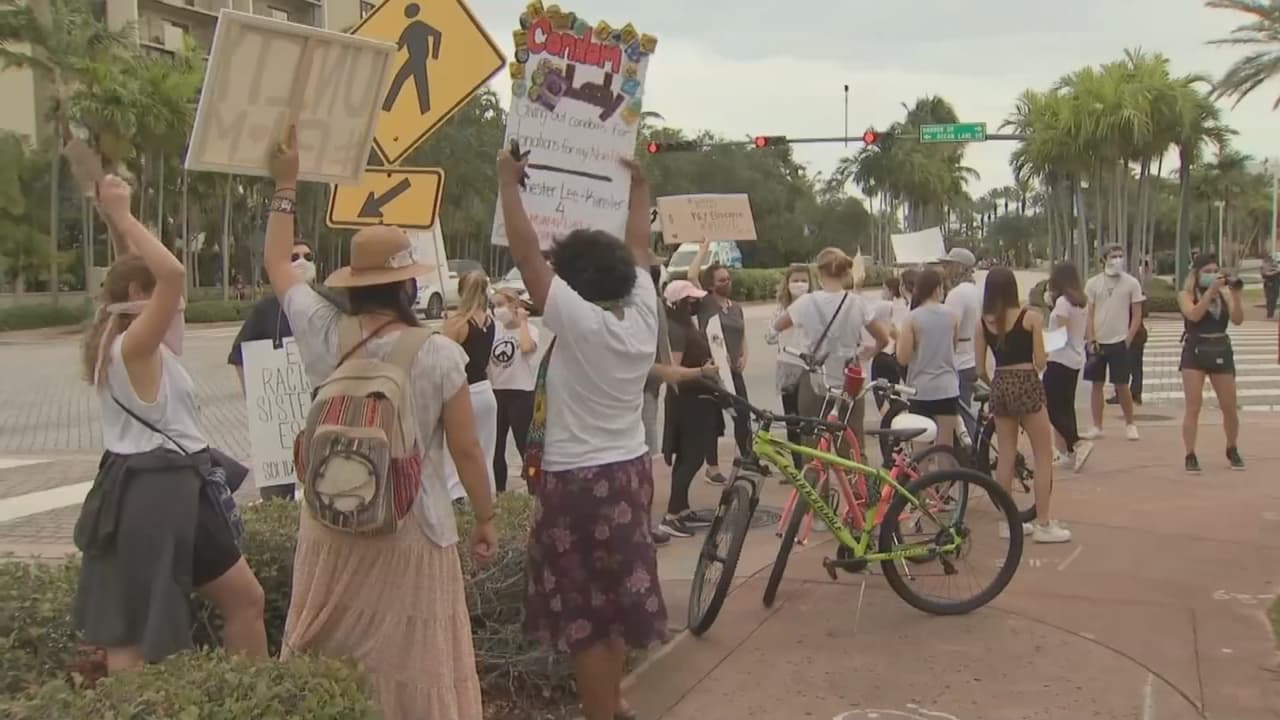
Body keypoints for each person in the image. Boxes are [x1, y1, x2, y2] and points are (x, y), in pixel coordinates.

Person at [265, 128, 496, 719]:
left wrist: (286, 184)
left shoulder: (323, 332)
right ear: (410, 283)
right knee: (413, 672)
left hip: (331, 526)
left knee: (332, 664)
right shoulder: (439, 353)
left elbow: (277, 266)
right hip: (411, 530)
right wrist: (487, 518)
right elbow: (468, 452)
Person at [497, 150, 668, 720]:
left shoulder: (579, 320)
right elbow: (640, 249)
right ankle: (612, 699)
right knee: (614, 600)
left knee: (586, 615)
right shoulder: (643, 314)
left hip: (577, 482)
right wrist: (638, 195)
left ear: (573, 283)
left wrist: (507, 184)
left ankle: (600, 711)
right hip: (629, 473)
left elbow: (526, 256)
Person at [74, 175, 267, 672]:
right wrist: (120, 213)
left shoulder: (126, 342)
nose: (173, 302)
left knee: (243, 598)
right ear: (141, 293)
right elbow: (174, 274)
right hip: (159, 489)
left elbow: (141, 274)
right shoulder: (134, 347)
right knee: (136, 631)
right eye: (155, 293)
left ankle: (252, 693)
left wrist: (120, 224)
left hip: (165, 485)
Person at [227, 240, 344, 501]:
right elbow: (238, 356)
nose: (301, 261)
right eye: (293, 256)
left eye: (307, 255)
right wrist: (255, 398)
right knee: (277, 496)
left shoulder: (330, 304)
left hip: (323, 415)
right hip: (278, 424)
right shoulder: (265, 310)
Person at [976, 267, 1069, 544]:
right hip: (1027, 381)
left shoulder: (983, 323)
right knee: (1042, 455)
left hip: (1001, 383)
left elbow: (980, 368)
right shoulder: (1031, 318)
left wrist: (995, 380)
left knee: (1005, 454)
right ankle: (1043, 522)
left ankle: (1007, 522)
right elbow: (1041, 362)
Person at [772, 247, 890, 452]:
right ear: (845, 272)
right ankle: (856, 483)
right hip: (850, 380)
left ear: (819, 272)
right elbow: (883, 338)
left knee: (814, 448)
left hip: (816, 378)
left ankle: (818, 483)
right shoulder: (857, 303)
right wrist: (872, 349)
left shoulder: (806, 303)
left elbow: (775, 329)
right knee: (852, 446)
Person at [660, 280, 724, 537]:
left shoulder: (688, 325)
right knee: (692, 457)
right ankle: (671, 515)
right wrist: (702, 371)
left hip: (699, 400)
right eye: (690, 300)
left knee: (690, 456)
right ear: (677, 304)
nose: (695, 303)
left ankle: (682, 508)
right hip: (686, 402)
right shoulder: (676, 330)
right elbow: (672, 372)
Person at [1178, 253, 1246, 473]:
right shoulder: (1186, 294)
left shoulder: (1223, 295)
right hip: (1195, 350)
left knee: (1229, 406)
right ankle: (1190, 453)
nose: (1212, 275)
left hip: (1220, 348)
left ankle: (1232, 446)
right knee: (1193, 406)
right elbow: (1194, 315)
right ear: (1196, 274)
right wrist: (1210, 292)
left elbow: (1237, 320)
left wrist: (1234, 296)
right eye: (1207, 271)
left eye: (1215, 270)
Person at [687, 238, 747, 485]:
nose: (726, 283)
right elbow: (692, 275)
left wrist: (744, 355)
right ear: (711, 285)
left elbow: (741, 334)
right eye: (721, 280)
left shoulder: (736, 307)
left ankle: (746, 456)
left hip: (733, 370)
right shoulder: (706, 303)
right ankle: (712, 468)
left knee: (742, 413)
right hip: (712, 371)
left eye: (728, 278)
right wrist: (703, 248)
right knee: (712, 420)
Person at [442, 271, 498, 500]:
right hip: (486, 392)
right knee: (485, 450)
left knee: (455, 450)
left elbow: (443, 360)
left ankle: (457, 496)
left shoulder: (458, 323)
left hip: (463, 393)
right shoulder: (489, 321)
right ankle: (487, 494)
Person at [1083, 245, 1144, 441]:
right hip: (1098, 342)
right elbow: (1089, 313)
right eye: (1113, 256)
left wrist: (1128, 338)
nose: (1117, 259)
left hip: (1120, 341)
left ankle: (1130, 424)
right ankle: (1097, 426)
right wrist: (1091, 338)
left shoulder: (1131, 283)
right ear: (1104, 259)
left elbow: (1137, 314)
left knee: (1122, 385)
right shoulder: (1093, 284)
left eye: (1120, 256)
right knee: (1096, 385)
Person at [895, 268, 960, 449]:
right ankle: (945, 478)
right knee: (945, 445)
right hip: (948, 388)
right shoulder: (953, 316)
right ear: (938, 288)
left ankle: (924, 476)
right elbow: (952, 348)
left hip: (920, 389)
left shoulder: (912, 318)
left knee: (921, 446)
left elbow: (903, 358)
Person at [1042, 262, 1093, 472]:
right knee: (1066, 405)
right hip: (1074, 358)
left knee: (1049, 405)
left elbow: (1060, 335)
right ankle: (1070, 452)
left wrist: (1042, 346)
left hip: (1059, 359)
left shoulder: (1063, 302)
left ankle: (1076, 442)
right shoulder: (1081, 302)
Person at [489, 288, 539, 493]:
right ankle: (499, 490)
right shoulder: (495, 329)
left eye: (500, 304)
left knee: (524, 446)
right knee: (496, 446)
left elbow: (527, 348)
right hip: (496, 392)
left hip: (520, 393)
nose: (496, 310)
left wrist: (523, 322)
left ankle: (534, 489)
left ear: (514, 306)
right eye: (494, 305)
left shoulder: (530, 330)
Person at [765, 264, 814, 470]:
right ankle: (796, 467)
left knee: (810, 420)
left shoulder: (816, 306)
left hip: (811, 368)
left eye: (804, 280)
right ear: (787, 284)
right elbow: (769, 337)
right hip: (788, 366)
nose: (799, 284)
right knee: (791, 419)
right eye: (795, 280)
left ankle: (812, 464)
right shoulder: (780, 309)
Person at [940, 248, 982, 438]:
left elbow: (949, 329)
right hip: (972, 358)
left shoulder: (956, 294)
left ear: (958, 268)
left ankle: (973, 455)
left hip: (958, 361)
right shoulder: (976, 291)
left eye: (948, 265)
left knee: (961, 416)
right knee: (964, 410)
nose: (944, 269)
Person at [1262, 254, 1279, 320]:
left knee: (1274, 300)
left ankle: (1271, 313)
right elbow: (1266, 274)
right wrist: (1276, 271)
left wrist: (1275, 269)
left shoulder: (1274, 267)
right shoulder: (1263, 268)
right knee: (1269, 300)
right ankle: (1269, 314)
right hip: (1268, 286)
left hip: (1276, 286)